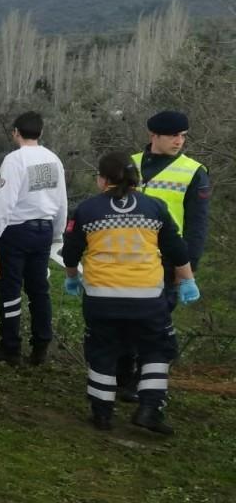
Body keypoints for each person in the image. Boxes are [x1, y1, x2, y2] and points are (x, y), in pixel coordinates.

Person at [62, 151, 199, 434]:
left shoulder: (87, 210)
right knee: (156, 349)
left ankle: (102, 414)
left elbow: (71, 253)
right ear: (136, 179)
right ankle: (149, 409)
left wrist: (73, 278)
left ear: (102, 180)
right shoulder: (155, 207)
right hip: (147, 299)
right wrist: (187, 280)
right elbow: (177, 249)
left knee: (102, 350)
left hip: (101, 298)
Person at [117, 110, 212, 401]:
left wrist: (188, 271)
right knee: (122, 322)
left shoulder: (194, 171)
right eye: (173, 135)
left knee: (153, 326)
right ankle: (122, 377)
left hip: (167, 261)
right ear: (153, 136)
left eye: (183, 135)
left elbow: (197, 225)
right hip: (125, 258)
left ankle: (140, 382)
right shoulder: (128, 164)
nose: (179, 141)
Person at [0, 111, 67, 366]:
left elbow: (4, 202)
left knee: (9, 290)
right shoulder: (53, 159)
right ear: (40, 133)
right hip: (44, 230)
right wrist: (57, 234)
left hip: (15, 231)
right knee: (39, 290)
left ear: (15, 132)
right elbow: (61, 199)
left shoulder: (14, 160)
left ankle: (11, 347)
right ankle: (41, 344)